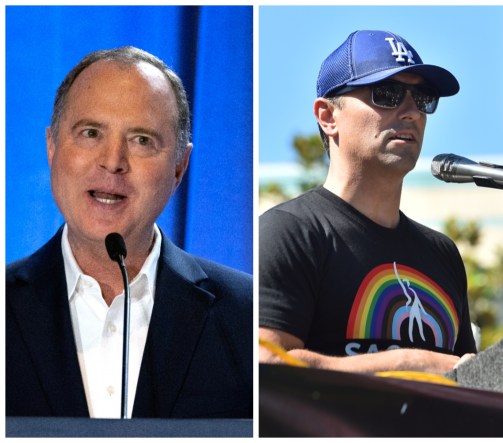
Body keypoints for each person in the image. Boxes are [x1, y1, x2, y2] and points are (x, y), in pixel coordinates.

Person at [6, 47, 253, 418]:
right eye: (90, 133)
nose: (113, 161)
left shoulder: (247, 316)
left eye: (141, 140)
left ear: (179, 167)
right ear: (52, 147)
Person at [259, 30, 477, 374]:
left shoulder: (443, 254)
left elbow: (468, 378)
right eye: (387, 94)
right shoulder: (289, 232)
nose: (412, 113)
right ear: (328, 116)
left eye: (423, 99)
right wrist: (410, 361)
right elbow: (267, 363)